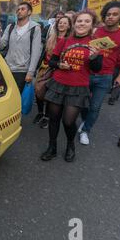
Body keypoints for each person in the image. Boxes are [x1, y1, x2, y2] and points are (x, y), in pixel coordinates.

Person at [41, 10, 103, 163]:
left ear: (92, 25)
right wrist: (60, 64)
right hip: (58, 84)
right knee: (54, 118)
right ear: (74, 24)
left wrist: (95, 56)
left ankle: (70, 145)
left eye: (86, 21)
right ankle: (52, 147)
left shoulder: (95, 44)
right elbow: (52, 62)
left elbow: (96, 69)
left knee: (68, 121)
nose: (82, 24)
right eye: (79, 21)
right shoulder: (64, 41)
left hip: (78, 87)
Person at [79, 0, 120, 145]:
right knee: (82, 102)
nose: (110, 17)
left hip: (106, 76)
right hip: (87, 73)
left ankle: (86, 130)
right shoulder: (95, 31)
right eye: (108, 14)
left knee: (95, 106)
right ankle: (85, 120)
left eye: (115, 14)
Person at [34, 15, 73, 129]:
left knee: (50, 96)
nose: (62, 24)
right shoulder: (51, 36)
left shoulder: (70, 41)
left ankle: (46, 117)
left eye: (65, 23)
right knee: (38, 91)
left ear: (69, 26)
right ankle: (40, 112)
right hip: (44, 68)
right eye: (60, 22)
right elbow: (43, 53)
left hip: (58, 71)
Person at [0, 1, 42, 92]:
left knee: (16, 98)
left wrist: (30, 72)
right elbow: (1, 46)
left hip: (22, 71)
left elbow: (36, 53)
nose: (19, 11)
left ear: (29, 12)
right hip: (7, 68)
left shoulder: (35, 29)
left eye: (23, 9)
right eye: (18, 9)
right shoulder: (10, 27)